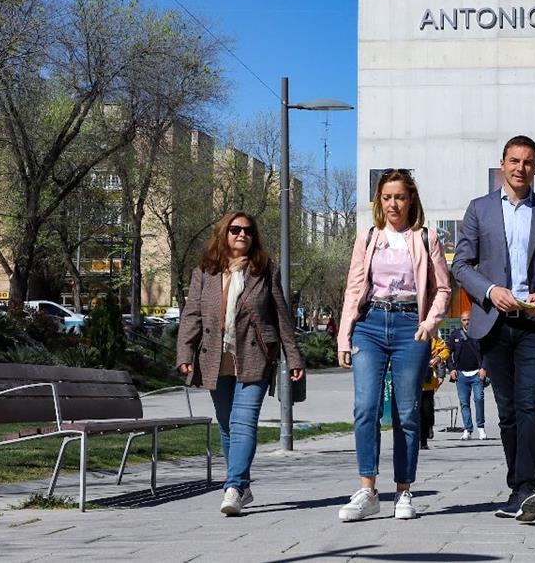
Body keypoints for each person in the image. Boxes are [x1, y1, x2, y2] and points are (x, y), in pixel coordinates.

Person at [452, 135, 535, 523]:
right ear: (502, 164)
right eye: (514, 161)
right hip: (494, 324)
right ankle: (517, 487)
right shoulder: (479, 209)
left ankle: (528, 488)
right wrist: (490, 291)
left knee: (530, 405)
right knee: (506, 410)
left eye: (529, 162)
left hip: (534, 325)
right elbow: (461, 265)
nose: (521, 168)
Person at [335, 169, 452, 522]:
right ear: (378, 201)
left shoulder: (426, 238)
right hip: (369, 325)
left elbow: (444, 289)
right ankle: (368, 490)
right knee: (365, 407)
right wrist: (344, 335)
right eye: (386, 197)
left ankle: (404, 491)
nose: (392, 204)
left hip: (409, 328)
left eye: (399, 196)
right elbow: (354, 289)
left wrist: (429, 324)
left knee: (407, 412)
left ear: (411, 199)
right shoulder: (368, 238)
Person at [175, 211, 305, 516]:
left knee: (243, 420)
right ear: (224, 233)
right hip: (215, 359)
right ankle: (242, 486)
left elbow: (282, 318)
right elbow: (192, 315)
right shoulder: (204, 272)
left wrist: (294, 356)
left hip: (255, 356)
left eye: (247, 230)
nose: (241, 235)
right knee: (226, 422)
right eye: (235, 230)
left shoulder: (264, 270)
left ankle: (233, 487)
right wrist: (184, 354)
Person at [447, 309, 487, 441]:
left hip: (477, 373)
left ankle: (481, 428)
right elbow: (447, 353)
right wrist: (451, 369)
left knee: (479, 399)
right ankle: (467, 429)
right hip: (461, 375)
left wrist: (484, 368)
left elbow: (487, 352)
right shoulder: (455, 335)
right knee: (464, 403)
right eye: (464, 320)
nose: (467, 322)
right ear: (461, 321)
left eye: (468, 319)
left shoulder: (480, 334)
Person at [419, 335, 451, 449]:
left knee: (426, 411)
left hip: (428, 382)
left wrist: (438, 358)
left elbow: (446, 350)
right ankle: (420, 439)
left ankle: (426, 433)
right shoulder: (408, 337)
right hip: (411, 381)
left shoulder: (434, 339)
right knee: (415, 412)